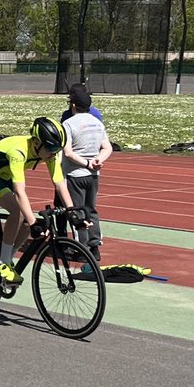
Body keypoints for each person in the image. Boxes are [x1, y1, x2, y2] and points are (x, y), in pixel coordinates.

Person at [0, 116, 80, 284]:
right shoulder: (19, 151)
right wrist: (33, 223)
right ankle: (3, 264)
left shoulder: (48, 153)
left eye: (57, 149)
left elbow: (60, 183)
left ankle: (7, 257)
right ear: (37, 143)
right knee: (18, 212)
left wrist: (72, 211)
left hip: (5, 176)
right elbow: (20, 192)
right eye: (51, 148)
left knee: (25, 222)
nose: (54, 153)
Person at [61, 85, 112, 261]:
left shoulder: (68, 124)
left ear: (73, 105)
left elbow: (67, 152)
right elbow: (107, 147)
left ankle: (80, 248)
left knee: (77, 212)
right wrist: (99, 160)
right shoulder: (97, 122)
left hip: (75, 174)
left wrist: (87, 163)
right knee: (92, 210)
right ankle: (95, 245)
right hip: (93, 176)